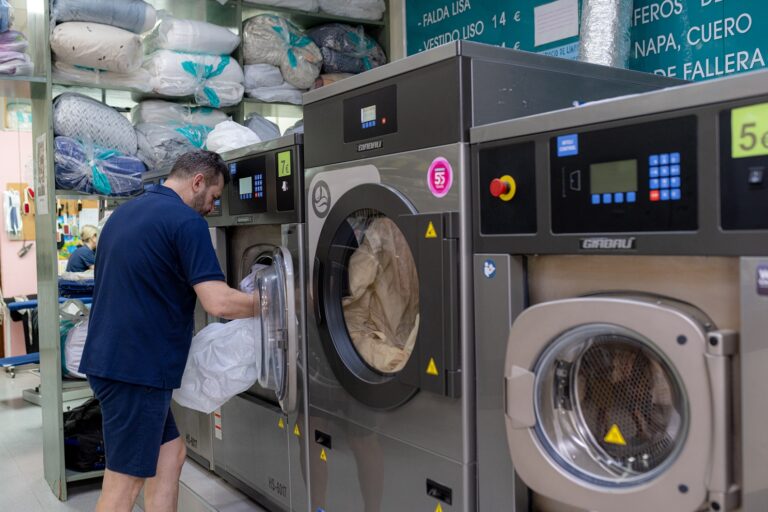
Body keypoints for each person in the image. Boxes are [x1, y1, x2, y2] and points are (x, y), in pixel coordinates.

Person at [78, 151, 257, 512]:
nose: (212, 206)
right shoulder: (186, 222)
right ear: (197, 182)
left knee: (170, 455)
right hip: (138, 371)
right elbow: (218, 302)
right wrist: (273, 303)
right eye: (214, 197)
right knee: (122, 487)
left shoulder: (124, 213)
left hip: (111, 360)